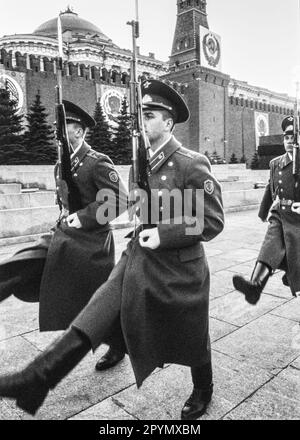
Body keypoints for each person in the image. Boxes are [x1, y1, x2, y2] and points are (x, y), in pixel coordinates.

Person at [0, 80, 224, 420]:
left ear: (169, 121)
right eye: (142, 115)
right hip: (138, 258)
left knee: (192, 333)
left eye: (150, 115)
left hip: (180, 266)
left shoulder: (190, 163)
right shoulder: (139, 164)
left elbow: (210, 219)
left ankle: (203, 386)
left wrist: (164, 235)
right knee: (95, 312)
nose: (143, 122)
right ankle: (37, 377)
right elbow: (134, 207)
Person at [0, 100, 128, 371]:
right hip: (66, 237)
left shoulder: (96, 162)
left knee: (96, 300)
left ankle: (118, 344)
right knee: (25, 261)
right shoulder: (62, 164)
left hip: (92, 243)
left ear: (79, 131)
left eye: (64, 127)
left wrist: (82, 218)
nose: (58, 132)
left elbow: (120, 200)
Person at [233, 115, 300, 304]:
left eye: (293, 137)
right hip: (280, 214)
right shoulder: (276, 163)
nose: (289, 141)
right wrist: (263, 213)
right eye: (286, 138)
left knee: (295, 258)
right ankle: (255, 286)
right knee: (270, 245)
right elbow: (271, 189)